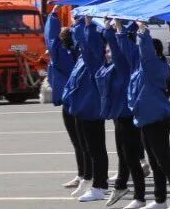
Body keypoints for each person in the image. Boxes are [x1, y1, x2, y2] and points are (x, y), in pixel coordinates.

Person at [131, 23, 170, 209]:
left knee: (164, 160)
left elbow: (145, 51)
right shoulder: (144, 69)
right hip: (146, 119)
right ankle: (160, 200)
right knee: (155, 162)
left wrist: (143, 32)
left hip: (157, 120)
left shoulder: (154, 67)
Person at [101, 19, 147, 209]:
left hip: (127, 114)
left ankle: (140, 196)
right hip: (121, 114)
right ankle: (121, 186)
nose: (108, 53)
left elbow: (117, 44)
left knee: (130, 156)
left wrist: (116, 28)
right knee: (123, 154)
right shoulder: (122, 62)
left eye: (110, 50)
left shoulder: (127, 62)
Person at [63, 14, 109, 202]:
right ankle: (96, 183)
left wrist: (87, 24)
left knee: (96, 149)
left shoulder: (93, 59)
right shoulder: (84, 58)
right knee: (90, 148)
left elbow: (88, 40)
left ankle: (100, 186)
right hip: (82, 109)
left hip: (90, 110)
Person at [47, 7, 89, 194]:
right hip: (84, 99)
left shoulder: (60, 55)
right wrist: (79, 20)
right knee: (87, 141)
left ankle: (84, 175)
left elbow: (50, 38)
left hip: (70, 102)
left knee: (78, 142)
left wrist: (53, 15)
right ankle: (87, 173)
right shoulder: (81, 52)